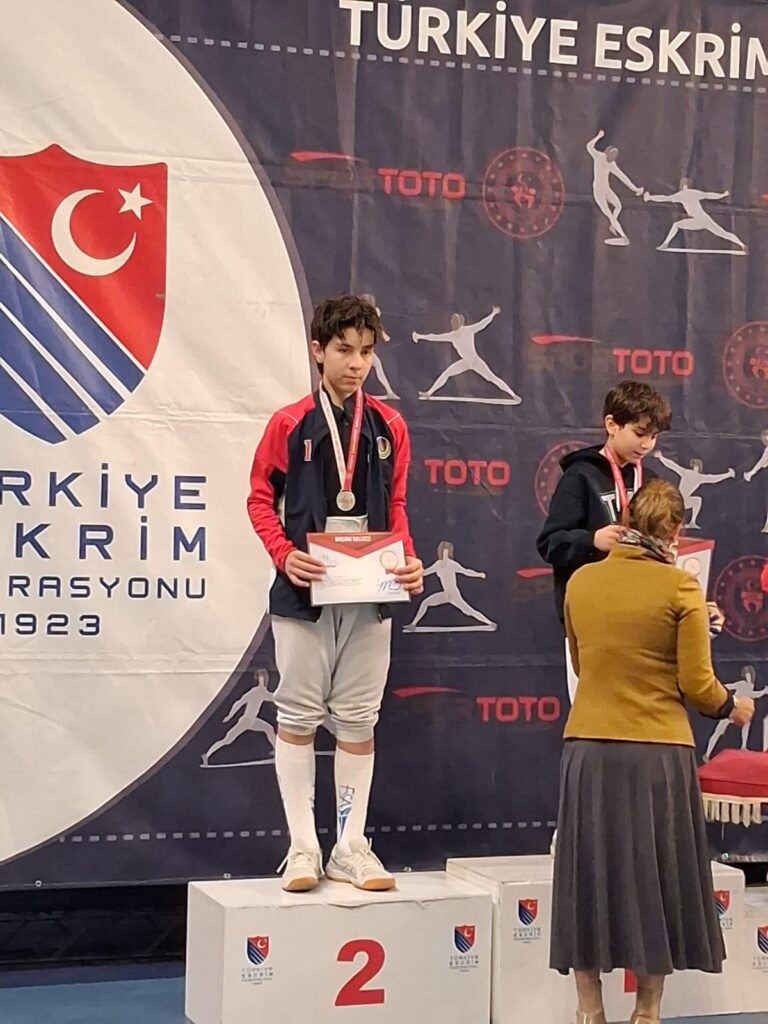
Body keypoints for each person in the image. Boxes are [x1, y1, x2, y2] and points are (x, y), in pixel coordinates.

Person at [550, 480, 755, 1024]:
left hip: (587, 750)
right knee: (653, 881)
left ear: (626, 520)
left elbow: (580, 662)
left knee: (586, 878)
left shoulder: (581, 582)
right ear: (675, 531)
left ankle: (589, 1010)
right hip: (657, 754)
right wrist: (733, 706)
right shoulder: (681, 588)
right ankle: (646, 1012)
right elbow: (698, 686)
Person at [247, 294, 424, 893]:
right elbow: (258, 499)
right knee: (298, 715)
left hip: (370, 592)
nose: (357, 364)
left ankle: (350, 846)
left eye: (366, 352)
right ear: (317, 351)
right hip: (305, 590)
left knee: (358, 719)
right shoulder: (289, 423)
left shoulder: (390, 426)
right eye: (345, 350)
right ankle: (302, 847)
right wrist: (282, 553)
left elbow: (396, 505)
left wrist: (408, 559)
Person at [536, 381, 672, 698]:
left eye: (654, 436)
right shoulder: (580, 476)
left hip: (641, 616)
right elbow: (550, 543)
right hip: (591, 617)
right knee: (594, 708)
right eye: (640, 433)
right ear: (612, 424)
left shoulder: (650, 481)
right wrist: (592, 540)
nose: (647, 444)